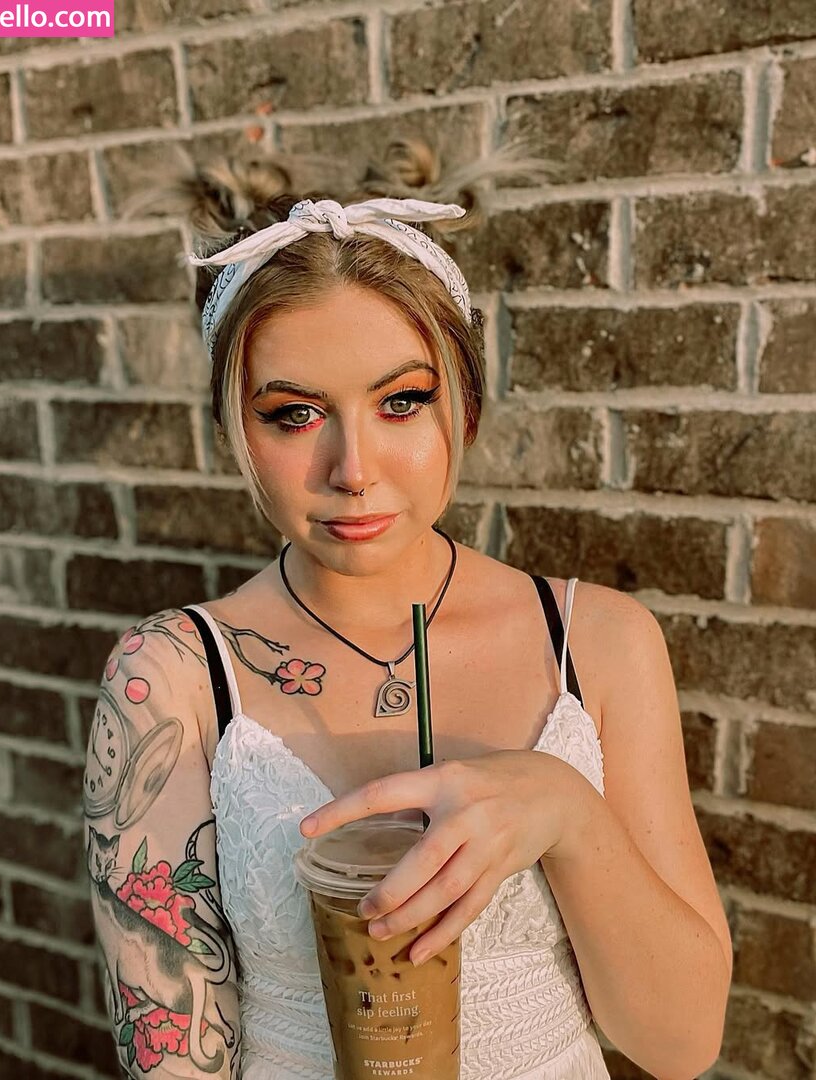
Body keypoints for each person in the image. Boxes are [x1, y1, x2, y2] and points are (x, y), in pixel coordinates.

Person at [84, 138, 733, 1079]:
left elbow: (680, 1044)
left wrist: (564, 810)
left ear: (463, 404)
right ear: (235, 429)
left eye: (401, 401)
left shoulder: (597, 644)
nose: (353, 470)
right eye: (294, 413)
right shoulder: (172, 682)